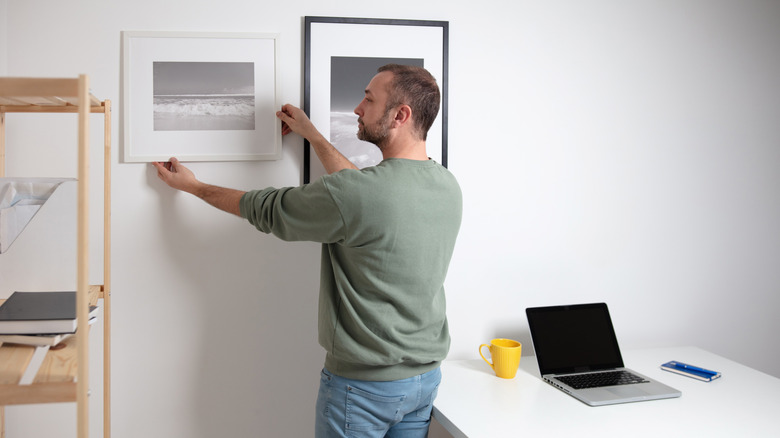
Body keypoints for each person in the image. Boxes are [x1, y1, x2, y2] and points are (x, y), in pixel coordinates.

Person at [152, 64, 462, 437]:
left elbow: (266, 207)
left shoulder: (359, 196)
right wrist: (313, 135)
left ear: (401, 114)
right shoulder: (447, 185)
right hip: (423, 383)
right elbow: (361, 194)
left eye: (368, 98)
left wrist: (194, 187)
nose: (358, 109)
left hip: (362, 391)